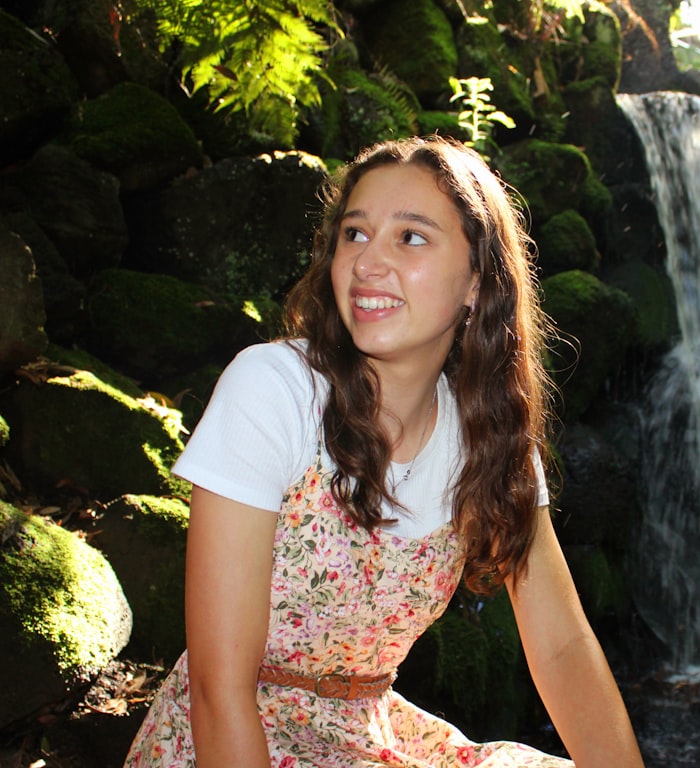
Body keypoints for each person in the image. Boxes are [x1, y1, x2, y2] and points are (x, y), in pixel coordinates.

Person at [124, 135, 645, 768]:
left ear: (477, 282)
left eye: (412, 237)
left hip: (368, 738)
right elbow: (218, 689)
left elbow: (561, 647)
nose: (368, 262)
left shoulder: (490, 437)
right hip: (234, 736)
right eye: (354, 234)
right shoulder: (274, 390)